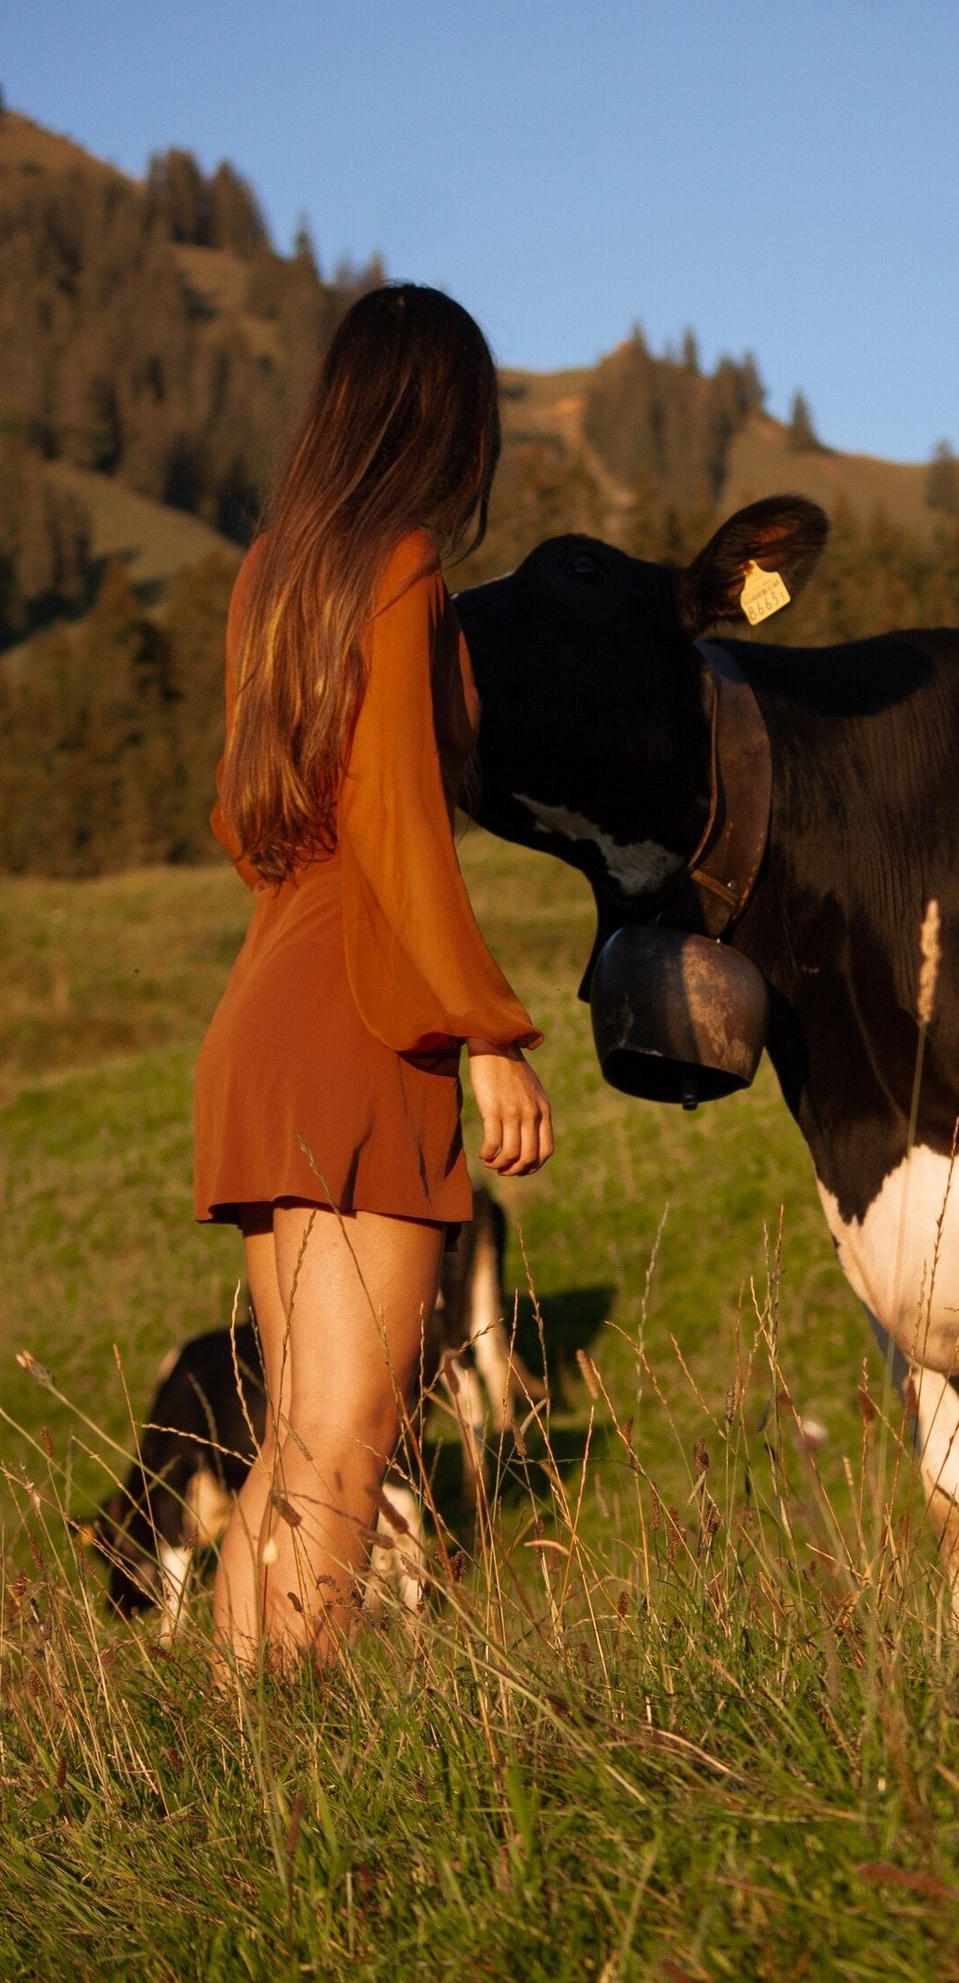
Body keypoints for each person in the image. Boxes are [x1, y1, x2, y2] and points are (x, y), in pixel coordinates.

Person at [193, 283, 552, 1667]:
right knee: (347, 1439)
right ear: (446, 416)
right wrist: (483, 1030)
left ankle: (240, 1761)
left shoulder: (271, 568)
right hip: (355, 1016)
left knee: (296, 1430)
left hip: (263, 1004)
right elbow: (400, 816)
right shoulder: (400, 566)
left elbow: (250, 817)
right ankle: (294, 1773)